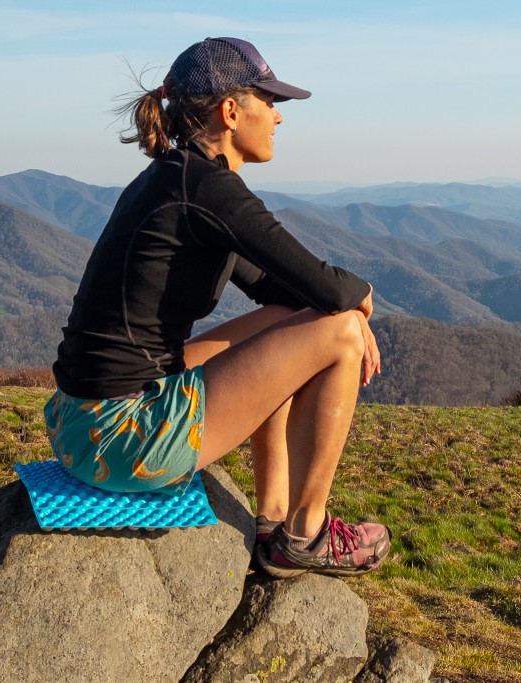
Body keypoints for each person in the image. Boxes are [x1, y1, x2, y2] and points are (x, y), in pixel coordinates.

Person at [43, 37, 390, 578]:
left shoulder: (178, 178)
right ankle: (306, 534)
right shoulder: (207, 189)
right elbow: (331, 289)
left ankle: (273, 522)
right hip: (119, 436)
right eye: (269, 103)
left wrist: (331, 308)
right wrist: (359, 309)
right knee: (341, 330)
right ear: (231, 111)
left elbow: (280, 294)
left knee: (284, 327)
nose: (278, 117)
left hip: (80, 422)